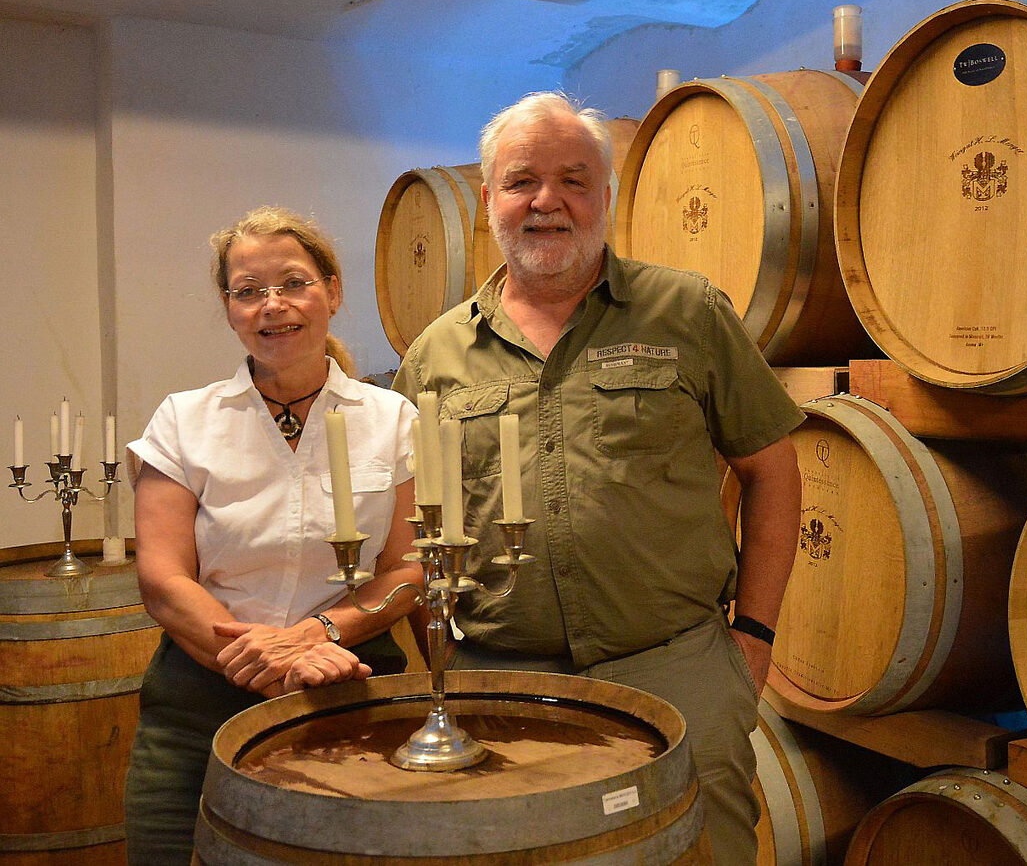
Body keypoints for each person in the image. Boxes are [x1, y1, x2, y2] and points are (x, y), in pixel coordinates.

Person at [393, 92, 803, 863]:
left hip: (674, 669)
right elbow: (416, 529)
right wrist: (443, 658)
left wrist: (752, 636)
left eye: (574, 180)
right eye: (522, 182)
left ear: (605, 198)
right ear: (489, 202)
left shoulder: (687, 312)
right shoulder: (434, 356)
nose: (547, 201)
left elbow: (771, 471)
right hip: (503, 684)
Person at [124, 206, 422, 864]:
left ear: (333, 292)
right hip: (198, 705)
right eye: (248, 291)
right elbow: (162, 579)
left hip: (351, 687)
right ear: (229, 309)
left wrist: (318, 636)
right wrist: (269, 661)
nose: (273, 306)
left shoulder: (391, 419)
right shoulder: (185, 420)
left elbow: (407, 572)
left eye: (293, 282)